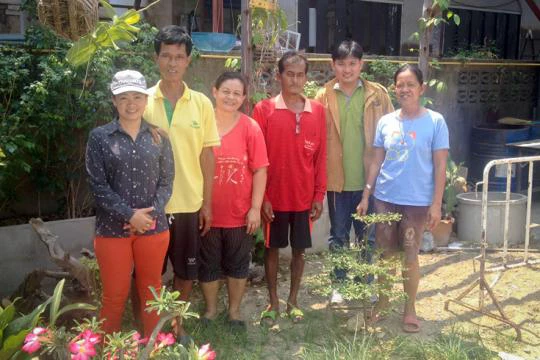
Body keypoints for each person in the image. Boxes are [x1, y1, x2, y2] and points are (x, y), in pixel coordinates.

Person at [356, 64, 449, 333]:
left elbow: (441, 166)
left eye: (410, 84)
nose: (405, 89)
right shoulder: (386, 122)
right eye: (400, 84)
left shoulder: (435, 121)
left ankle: (410, 309)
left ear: (422, 88)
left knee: (409, 256)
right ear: (395, 88)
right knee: (385, 255)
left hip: (417, 203)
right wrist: (366, 195)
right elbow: (376, 161)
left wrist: (435, 204)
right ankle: (383, 303)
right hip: (385, 198)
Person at [144, 25, 220, 342]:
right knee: (148, 273)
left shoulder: (201, 103)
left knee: (187, 272)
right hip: (150, 206)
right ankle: (148, 328)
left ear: (188, 60)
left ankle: (176, 325)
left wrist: (207, 203)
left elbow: (207, 156)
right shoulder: (142, 101)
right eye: (166, 56)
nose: (172, 63)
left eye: (179, 56)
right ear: (156, 58)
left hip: (189, 203)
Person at [86, 70, 174, 337]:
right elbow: (97, 185)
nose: (131, 103)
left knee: (152, 292)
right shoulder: (100, 137)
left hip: (153, 229)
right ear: (114, 101)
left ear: (146, 100)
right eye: (124, 98)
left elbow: (167, 182)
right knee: (114, 295)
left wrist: (147, 216)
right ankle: (105, 348)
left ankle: (154, 345)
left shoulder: (159, 137)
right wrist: (129, 215)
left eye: (137, 97)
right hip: (113, 231)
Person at [315, 40, 394, 302]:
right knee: (338, 236)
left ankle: (364, 283)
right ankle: (339, 284)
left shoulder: (377, 95)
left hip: (369, 181)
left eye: (352, 64)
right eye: (341, 64)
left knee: (367, 236)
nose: (347, 69)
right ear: (332, 65)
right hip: (337, 180)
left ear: (361, 64)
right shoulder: (322, 96)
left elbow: (392, 132)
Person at [252, 51, 327, 325]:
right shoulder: (264, 110)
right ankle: (273, 302)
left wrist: (319, 194)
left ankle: (293, 302)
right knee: (271, 250)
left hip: (304, 199)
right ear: (279, 76)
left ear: (306, 77)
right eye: (289, 74)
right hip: (274, 199)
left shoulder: (318, 112)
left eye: (300, 74)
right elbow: (256, 158)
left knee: (299, 251)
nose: (295, 80)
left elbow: (321, 157)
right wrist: (263, 198)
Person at [199, 72, 269, 330]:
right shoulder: (202, 124)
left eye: (236, 93)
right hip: (206, 213)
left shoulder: (250, 127)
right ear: (214, 91)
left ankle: (235, 312)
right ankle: (210, 310)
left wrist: (255, 208)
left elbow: (260, 169)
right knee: (208, 264)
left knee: (238, 265)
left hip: (240, 214)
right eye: (225, 91)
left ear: (243, 98)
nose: (231, 97)